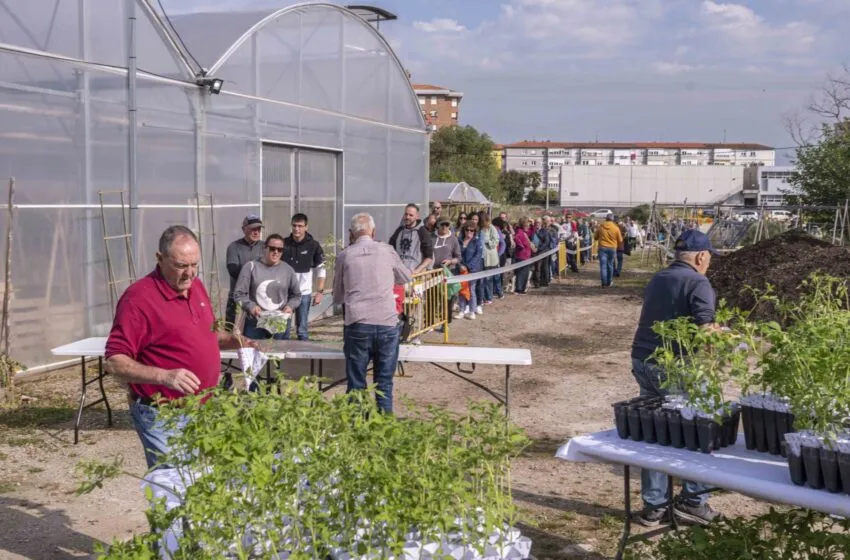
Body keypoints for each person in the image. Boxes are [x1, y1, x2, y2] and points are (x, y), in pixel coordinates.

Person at [105, 226, 254, 469]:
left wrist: (236, 341)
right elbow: (114, 361)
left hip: (201, 409)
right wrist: (164, 376)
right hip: (164, 415)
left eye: (195, 264)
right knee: (176, 487)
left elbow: (207, 333)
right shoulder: (139, 299)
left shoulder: (196, 287)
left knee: (200, 483)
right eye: (181, 266)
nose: (190, 273)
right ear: (160, 259)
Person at [631, 229, 721, 527]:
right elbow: (705, 331)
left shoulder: (659, 278)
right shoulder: (698, 281)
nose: (709, 263)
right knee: (697, 428)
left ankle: (654, 506)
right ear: (700, 256)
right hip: (676, 365)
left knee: (654, 432)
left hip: (644, 359)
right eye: (709, 258)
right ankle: (692, 501)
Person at [333, 213, 411, 414]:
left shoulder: (345, 255)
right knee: (384, 383)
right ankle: (384, 429)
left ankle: (357, 431)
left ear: (351, 234)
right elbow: (405, 277)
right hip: (386, 322)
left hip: (358, 323)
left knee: (356, 383)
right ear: (373, 232)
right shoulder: (387, 251)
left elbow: (338, 295)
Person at [234, 234, 302, 341]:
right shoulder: (251, 267)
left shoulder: (288, 270)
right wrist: (251, 306)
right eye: (272, 248)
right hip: (255, 322)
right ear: (264, 248)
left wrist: (290, 306)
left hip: (280, 321)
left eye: (280, 249)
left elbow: (296, 295)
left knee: (277, 355)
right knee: (254, 354)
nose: (276, 252)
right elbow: (239, 294)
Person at [281, 214, 326, 341]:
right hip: (286, 294)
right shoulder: (284, 244)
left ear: (306, 227)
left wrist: (320, 292)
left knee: (302, 330)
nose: (297, 229)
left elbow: (321, 269)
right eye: (294, 225)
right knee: (284, 329)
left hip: (304, 294)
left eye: (300, 226)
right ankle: (282, 357)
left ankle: (303, 356)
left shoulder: (314, 245)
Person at [225, 215, 265, 329]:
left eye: (258, 229)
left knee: (257, 330)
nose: (256, 232)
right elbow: (233, 270)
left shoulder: (265, 247)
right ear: (244, 229)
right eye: (253, 229)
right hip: (237, 296)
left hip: (258, 298)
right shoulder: (234, 247)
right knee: (231, 329)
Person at [388, 203, 434, 274]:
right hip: (399, 273)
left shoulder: (423, 232)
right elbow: (390, 249)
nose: (407, 217)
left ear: (417, 216)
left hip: (414, 276)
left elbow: (429, 257)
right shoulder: (399, 230)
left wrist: (417, 271)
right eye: (406, 214)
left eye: (411, 215)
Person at [458, 223, 483, 319]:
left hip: (473, 270)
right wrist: (460, 265)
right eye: (467, 229)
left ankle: (472, 311)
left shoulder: (477, 242)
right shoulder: (459, 241)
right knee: (461, 290)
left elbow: (478, 256)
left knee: (472, 290)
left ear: (475, 231)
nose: (469, 232)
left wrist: (468, 266)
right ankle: (462, 310)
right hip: (461, 269)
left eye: (471, 230)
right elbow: (457, 254)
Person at [595, 214, 623, 288]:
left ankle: (603, 283)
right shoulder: (616, 228)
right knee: (610, 265)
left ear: (606, 219)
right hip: (612, 248)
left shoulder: (601, 227)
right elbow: (620, 240)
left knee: (603, 266)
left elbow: (595, 237)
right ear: (612, 219)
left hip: (602, 248)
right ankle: (609, 282)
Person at [480, 213, 500, 306]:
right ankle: (483, 297)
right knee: (482, 278)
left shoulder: (492, 228)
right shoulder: (480, 229)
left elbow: (496, 241)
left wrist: (488, 241)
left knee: (489, 279)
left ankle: (489, 297)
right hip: (481, 256)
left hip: (490, 257)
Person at [513, 217, 534, 295]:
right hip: (521, 256)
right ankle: (518, 289)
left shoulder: (525, 232)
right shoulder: (519, 231)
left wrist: (532, 225)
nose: (528, 225)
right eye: (527, 224)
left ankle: (522, 288)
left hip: (527, 256)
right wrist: (521, 246)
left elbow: (531, 232)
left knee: (525, 273)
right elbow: (517, 238)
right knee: (521, 273)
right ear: (524, 224)